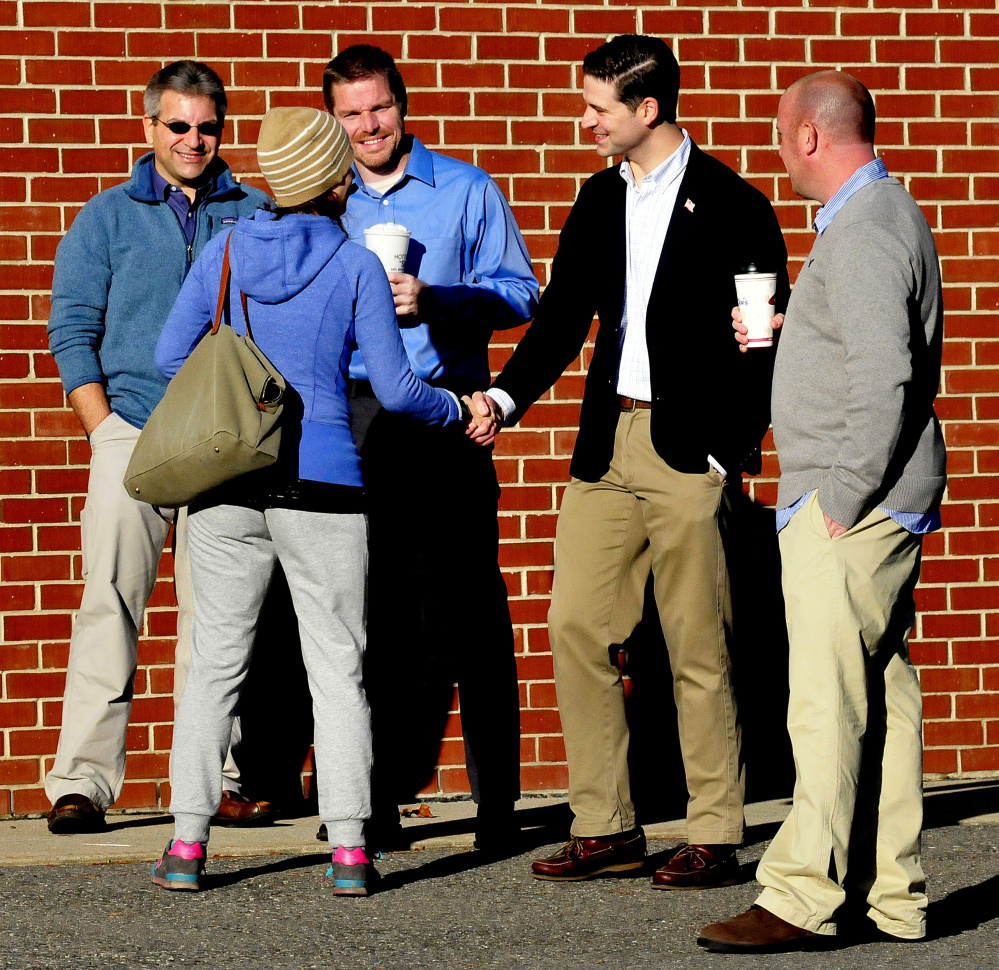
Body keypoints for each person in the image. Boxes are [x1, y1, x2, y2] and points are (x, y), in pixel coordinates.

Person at [470, 34, 789, 887]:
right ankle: (605, 825)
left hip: (692, 452)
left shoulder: (732, 204)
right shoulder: (597, 197)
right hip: (607, 442)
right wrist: (503, 400)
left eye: (596, 108)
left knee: (696, 643)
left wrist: (731, 451)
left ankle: (714, 832)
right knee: (574, 623)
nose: (584, 122)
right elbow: (562, 316)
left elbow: (760, 337)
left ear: (645, 110)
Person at [150, 107, 476, 894]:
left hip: (229, 484)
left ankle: (188, 846)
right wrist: (458, 410)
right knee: (337, 664)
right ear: (334, 181)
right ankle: (350, 851)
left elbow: (168, 357)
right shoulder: (357, 266)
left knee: (215, 666)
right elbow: (397, 392)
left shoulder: (224, 250)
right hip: (327, 484)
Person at [698, 72, 947, 952]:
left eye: (777, 133)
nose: (775, 150)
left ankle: (800, 896)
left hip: (854, 503)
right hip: (877, 498)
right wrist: (789, 330)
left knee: (823, 703)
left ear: (809, 135)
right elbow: (865, 345)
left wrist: (837, 499)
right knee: (882, 697)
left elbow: (885, 376)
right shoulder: (873, 221)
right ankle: (894, 897)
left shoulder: (868, 228)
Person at [45, 61, 274, 834]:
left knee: (220, 620)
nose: (193, 140)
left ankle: (213, 784)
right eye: (177, 125)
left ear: (221, 129)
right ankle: (81, 782)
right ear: (149, 128)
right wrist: (101, 425)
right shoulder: (105, 217)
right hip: (132, 434)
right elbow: (71, 330)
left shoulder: (255, 212)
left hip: (224, 441)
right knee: (109, 604)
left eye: (207, 126)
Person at [321, 45, 539, 850]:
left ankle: (498, 809)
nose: (367, 126)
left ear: (402, 107)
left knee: (472, 611)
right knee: (368, 612)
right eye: (350, 114)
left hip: (445, 415)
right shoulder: (326, 199)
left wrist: (435, 298)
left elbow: (521, 295)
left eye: (378, 108)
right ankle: (370, 803)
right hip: (355, 416)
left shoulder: (465, 188)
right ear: (335, 120)